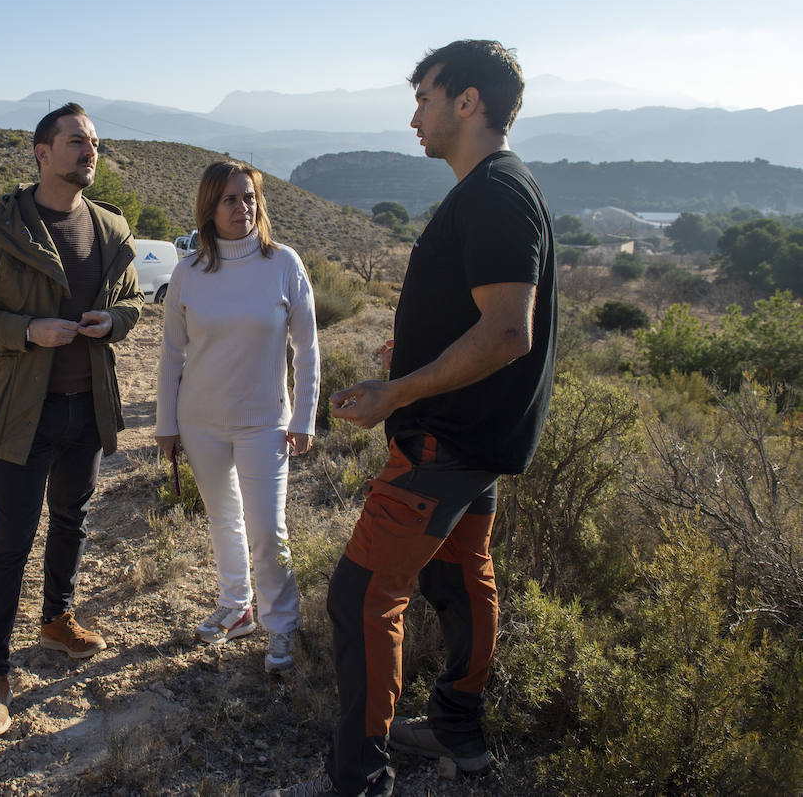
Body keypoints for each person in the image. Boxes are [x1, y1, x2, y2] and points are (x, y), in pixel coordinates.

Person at [266, 40, 557, 797]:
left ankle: (362, 777)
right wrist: (415, 351)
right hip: (477, 439)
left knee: (362, 595)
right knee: (462, 575)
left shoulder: (494, 191)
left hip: (445, 439)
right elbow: (482, 318)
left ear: (468, 103)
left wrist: (399, 393)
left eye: (426, 98)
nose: (414, 116)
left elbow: (506, 331)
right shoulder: (496, 186)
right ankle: (460, 729)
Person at [0, 102, 143, 741]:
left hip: (87, 407)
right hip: (20, 412)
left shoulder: (112, 229)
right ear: (42, 152)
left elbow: (133, 304)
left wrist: (114, 322)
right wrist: (27, 330)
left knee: (72, 519)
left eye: (95, 143)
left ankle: (57, 619)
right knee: (11, 539)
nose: (90, 152)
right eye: (77, 141)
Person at [154, 160, 319, 673]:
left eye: (249, 197)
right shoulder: (189, 272)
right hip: (200, 420)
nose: (242, 208)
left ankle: (282, 625)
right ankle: (237, 607)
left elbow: (308, 348)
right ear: (210, 207)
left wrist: (305, 415)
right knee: (224, 519)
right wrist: (166, 423)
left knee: (268, 528)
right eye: (230, 199)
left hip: (265, 421)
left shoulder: (284, 264)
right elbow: (171, 355)